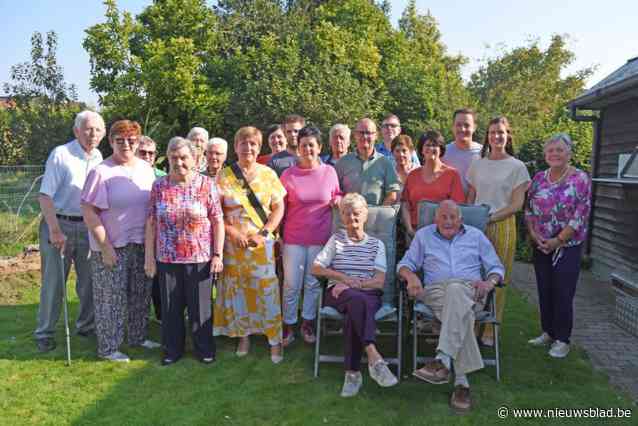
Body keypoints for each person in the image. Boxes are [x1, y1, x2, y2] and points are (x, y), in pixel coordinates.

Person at [398, 200, 504, 413]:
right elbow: (404, 265)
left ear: (460, 219)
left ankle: (444, 360)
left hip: (471, 292)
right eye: (443, 217)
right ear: (435, 219)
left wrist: (489, 283)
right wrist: (410, 277)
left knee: (456, 291)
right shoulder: (424, 236)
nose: (448, 221)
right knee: (456, 301)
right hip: (435, 292)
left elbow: (496, 267)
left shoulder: (476, 236)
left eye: (452, 217)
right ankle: (461, 383)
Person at [81, 119, 160, 362]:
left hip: (142, 243)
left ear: (138, 142)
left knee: (140, 294)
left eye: (132, 140)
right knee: (110, 298)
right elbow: (89, 211)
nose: (126, 144)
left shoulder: (147, 170)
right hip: (112, 246)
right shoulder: (101, 172)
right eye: (120, 140)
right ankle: (108, 348)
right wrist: (105, 247)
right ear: (111, 142)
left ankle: (137, 336)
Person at [144, 137, 225, 366]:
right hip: (167, 257)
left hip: (199, 257)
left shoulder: (206, 185)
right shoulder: (159, 186)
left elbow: (218, 221)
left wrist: (217, 254)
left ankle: (204, 349)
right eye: (173, 157)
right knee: (171, 308)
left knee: (200, 309)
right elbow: (151, 222)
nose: (178, 162)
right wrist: (149, 258)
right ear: (167, 159)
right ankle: (172, 350)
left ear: (195, 159)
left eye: (183, 157)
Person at [311, 193, 398, 397]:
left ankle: (353, 374)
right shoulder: (336, 240)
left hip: (365, 293)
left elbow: (379, 281)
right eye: (347, 214)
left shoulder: (377, 245)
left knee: (355, 307)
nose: (352, 218)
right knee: (356, 301)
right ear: (341, 216)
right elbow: (316, 268)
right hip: (339, 294)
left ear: (365, 215)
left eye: (357, 213)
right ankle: (374, 357)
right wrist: (341, 278)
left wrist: (352, 285)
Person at [214, 126, 286, 363]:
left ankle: (274, 341)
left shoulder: (268, 174)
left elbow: (279, 208)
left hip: (260, 244)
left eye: (253, 143)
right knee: (240, 291)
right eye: (243, 143)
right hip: (233, 245)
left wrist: (264, 232)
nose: (248, 147)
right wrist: (232, 232)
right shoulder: (224, 176)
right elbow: (216, 211)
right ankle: (243, 336)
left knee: (267, 290)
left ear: (259, 147)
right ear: (235, 147)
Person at [34, 110, 105, 352]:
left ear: (103, 133)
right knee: (54, 283)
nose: (92, 134)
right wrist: (54, 230)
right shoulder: (61, 154)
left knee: (88, 282)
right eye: (87, 128)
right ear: (76, 131)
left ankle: (86, 326)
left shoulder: (99, 157)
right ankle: (44, 332)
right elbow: (44, 196)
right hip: (59, 223)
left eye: (97, 129)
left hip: (87, 227)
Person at [525, 133, 591, 358]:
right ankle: (548, 332)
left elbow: (580, 215)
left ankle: (562, 339)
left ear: (569, 153)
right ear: (545, 154)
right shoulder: (538, 179)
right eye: (551, 150)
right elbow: (529, 210)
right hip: (541, 244)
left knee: (563, 291)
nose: (555, 154)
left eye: (560, 150)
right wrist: (534, 235)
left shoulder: (580, 179)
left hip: (567, 245)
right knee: (545, 290)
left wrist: (558, 240)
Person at [466, 116, 530, 346]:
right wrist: (472, 220)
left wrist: (491, 218)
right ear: (487, 137)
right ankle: (471, 325)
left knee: (498, 277)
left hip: (502, 225)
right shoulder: (477, 164)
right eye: (493, 132)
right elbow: (470, 197)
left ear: (508, 135)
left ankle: (490, 331)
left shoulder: (517, 167)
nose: (496, 136)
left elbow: (516, 204)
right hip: (476, 226)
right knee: (474, 276)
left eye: (501, 132)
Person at [280, 126, 342, 346]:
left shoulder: (329, 172)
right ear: (298, 148)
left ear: (319, 147)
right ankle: (288, 325)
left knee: (313, 283)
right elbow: (279, 207)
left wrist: (338, 200)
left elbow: (337, 195)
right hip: (293, 238)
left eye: (311, 145)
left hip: (320, 238)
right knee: (291, 284)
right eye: (303, 145)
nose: (307, 149)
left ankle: (307, 323)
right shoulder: (288, 174)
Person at [335, 117, 401, 317]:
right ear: (354, 136)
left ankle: (383, 305)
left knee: (379, 266)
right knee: (350, 266)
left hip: (376, 223)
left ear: (376, 136)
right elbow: (335, 191)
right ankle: (350, 306)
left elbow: (393, 193)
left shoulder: (385, 162)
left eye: (369, 133)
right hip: (348, 224)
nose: (365, 137)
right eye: (361, 132)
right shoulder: (343, 162)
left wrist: (375, 214)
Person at [401, 131, 464, 238]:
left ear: (441, 149)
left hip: (442, 233)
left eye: (435, 145)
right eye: (427, 145)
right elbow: (405, 204)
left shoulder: (452, 175)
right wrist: (410, 230)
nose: (431, 148)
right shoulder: (412, 175)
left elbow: (457, 208)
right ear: (421, 149)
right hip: (415, 233)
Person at [135, 136, 166, 324]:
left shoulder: (163, 177)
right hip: (133, 235)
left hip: (159, 237)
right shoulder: (127, 174)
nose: (147, 156)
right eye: (143, 152)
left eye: (151, 153)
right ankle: (137, 319)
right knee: (137, 283)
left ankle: (162, 317)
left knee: (157, 281)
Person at [442, 108, 482, 193]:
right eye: (458, 125)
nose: (462, 129)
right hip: (450, 204)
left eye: (467, 125)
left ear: (474, 127)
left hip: (477, 205)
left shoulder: (484, 153)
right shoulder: (443, 153)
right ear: (453, 127)